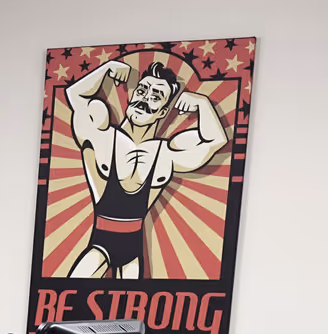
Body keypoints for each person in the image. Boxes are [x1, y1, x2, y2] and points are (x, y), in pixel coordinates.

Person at [62, 58, 225, 278]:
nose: (144, 99)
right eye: (141, 91)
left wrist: (202, 103)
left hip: (132, 254)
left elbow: (215, 141)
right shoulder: (102, 136)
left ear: (163, 111)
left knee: (130, 311)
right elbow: (75, 96)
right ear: (131, 96)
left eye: (156, 96)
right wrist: (106, 68)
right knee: (72, 295)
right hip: (99, 246)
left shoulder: (165, 154)